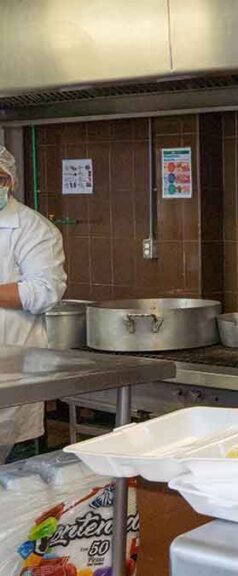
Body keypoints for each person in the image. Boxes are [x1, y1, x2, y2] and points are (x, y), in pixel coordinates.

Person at [0, 146, 67, 461]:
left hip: (10, 373)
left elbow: (45, 291)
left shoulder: (32, 228)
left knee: (13, 483)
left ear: (8, 181)